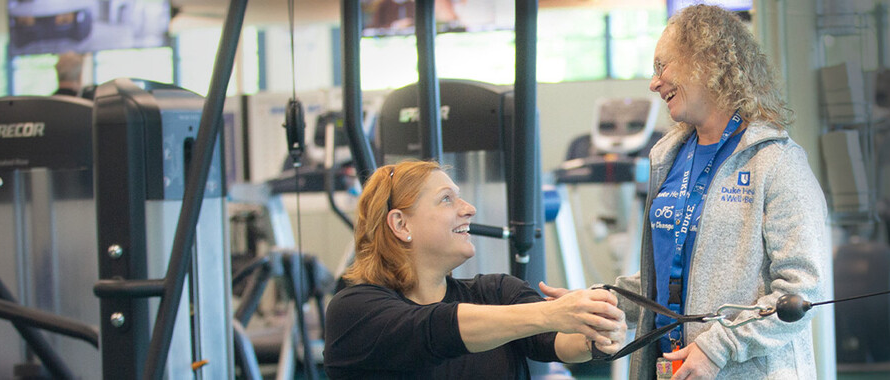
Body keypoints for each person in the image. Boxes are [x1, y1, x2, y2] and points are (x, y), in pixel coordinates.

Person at [543, 5, 828, 380]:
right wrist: (598, 302)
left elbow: (802, 293)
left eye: (662, 66)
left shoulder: (777, 162)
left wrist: (716, 349)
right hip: (667, 368)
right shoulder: (669, 155)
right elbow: (662, 278)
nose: (654, 82)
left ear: (706, 62)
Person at [323, 160, 627, 379]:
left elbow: (556, 340)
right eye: (446, 199)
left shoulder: (496, 292)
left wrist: (596, 332)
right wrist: (553, 312)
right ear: (401, 224)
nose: (469, 208)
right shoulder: (354, 311)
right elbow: (436, 329)